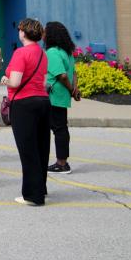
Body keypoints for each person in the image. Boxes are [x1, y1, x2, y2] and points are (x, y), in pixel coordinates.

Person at [1, 18, 50, 206]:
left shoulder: (20, 53)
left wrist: (5, 79)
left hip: (24, 104)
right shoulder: (42, 53)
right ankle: (41, 188)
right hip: (43, 101)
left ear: (23, 32)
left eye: (20, 29)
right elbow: (44, 81)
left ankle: (32, 195)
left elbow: (15, 81)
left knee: (28, 150)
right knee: (41, 147)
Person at [44, 21, 80, 175]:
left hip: (55, 95)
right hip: (63, 95)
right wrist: (75, 89)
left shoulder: (52, 52)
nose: (43, 35)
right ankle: (62, 161)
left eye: (45, 32)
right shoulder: (68, 52)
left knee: (59, 129)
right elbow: (74, 73)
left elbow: (62, 75)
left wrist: (72, 89)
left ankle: (62, 163)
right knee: (61, 127)